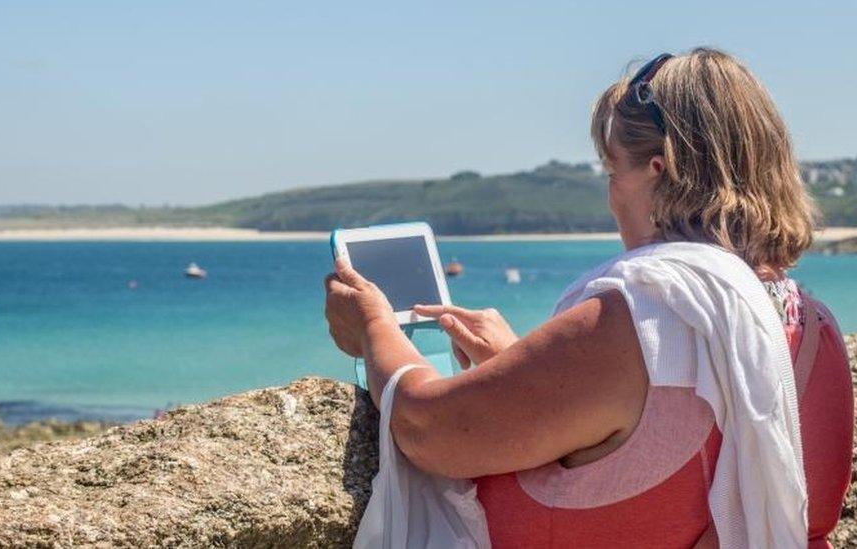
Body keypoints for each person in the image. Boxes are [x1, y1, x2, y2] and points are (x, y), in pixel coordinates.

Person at [324, 48, 853, 548]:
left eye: (612, 170)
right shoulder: (812, 326)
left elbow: (425, 427)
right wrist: (521, 367)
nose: (610, 194)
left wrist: (374, 329)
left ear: (657, 171)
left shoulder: (639, 315)